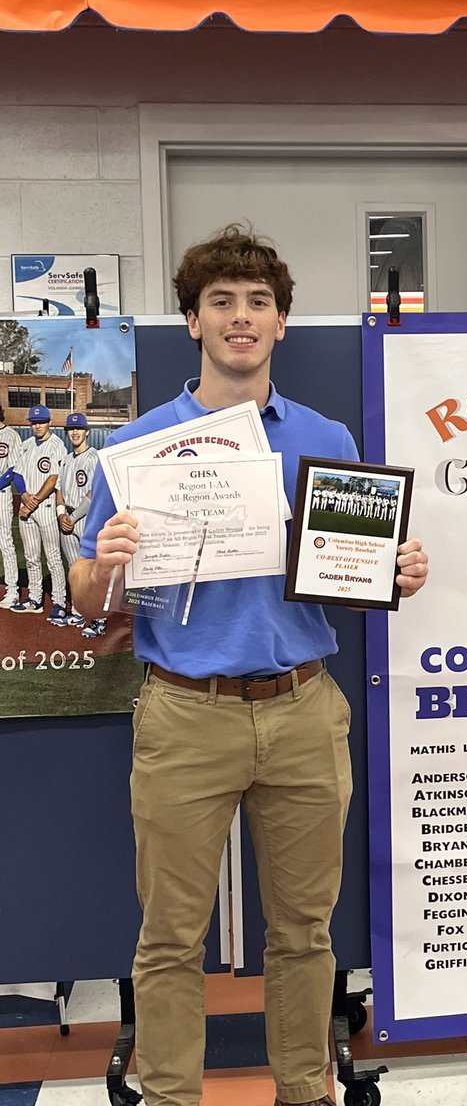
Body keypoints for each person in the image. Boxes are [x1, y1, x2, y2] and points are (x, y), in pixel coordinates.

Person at [70, 224, 429, 1106]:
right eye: (221, 302)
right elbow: (87, 597)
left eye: (258, 303)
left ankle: (307, 1091)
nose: (241, 317)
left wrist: (394, 573)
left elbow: (349, 584)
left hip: (303, 708)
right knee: (170, 937)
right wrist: (106, 561)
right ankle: (172, 1098)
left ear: (280, 324)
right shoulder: (142, 448)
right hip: (184, 713)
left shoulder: (323, 435)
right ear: (193, 321)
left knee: (305, 932)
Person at [0, 403, 67, 620]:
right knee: (31, 557)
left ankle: (59, 601)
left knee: (53, 557)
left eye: (42, 422)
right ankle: (35, 598)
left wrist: (33, 500)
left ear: (49, 423)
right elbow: (18, 474)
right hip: (27, 508)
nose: (38, 426)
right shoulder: (27, 444)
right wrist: (24, 495)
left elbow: (54, 478)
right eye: (34, 422)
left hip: (45, 507)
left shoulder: (57, 445)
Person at [55, 411, 102, 631]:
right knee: (75, 570)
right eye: (71, 429)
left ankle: (100, 619)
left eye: (79, 429)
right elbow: (59, 490)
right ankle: (78, 611)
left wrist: (72, 518)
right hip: (67, 518)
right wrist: (60, 514)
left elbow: (94, 493)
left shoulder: (94, 457)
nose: (74, 432)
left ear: (87, 432)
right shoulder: (66, 459)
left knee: (93, 570)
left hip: (85, 519)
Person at [0, 404, 22, 608]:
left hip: (2, 493)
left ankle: (13, 589)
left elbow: (13, 468)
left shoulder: (11, 435)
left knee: (5, 541)